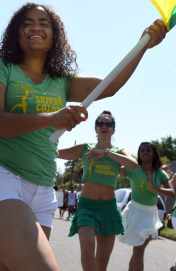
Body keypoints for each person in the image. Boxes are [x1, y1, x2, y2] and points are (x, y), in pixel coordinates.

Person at [0, 2, 166, 271]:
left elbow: (108, 85)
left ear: (55, 34)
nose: (36, 27)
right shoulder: (0, 69)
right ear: (15, 33)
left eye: (44, 23)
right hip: (1, 179)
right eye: (27, 23)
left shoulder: (61, 80)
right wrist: (52, 117)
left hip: (42, 190)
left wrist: (142, 45)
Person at [58, 111, 139, 271]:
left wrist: (108, 153)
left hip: (108, 209)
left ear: (113, 130)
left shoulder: (118, 151)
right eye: (100, 123)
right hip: (87, 208)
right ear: (95, 128)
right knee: (87, 246)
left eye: (109, 124)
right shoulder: (85, 148)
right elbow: (57, 152)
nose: (104, 126)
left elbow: (133, 165)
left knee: (102, 262)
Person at [119, 142, 176, 271]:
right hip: (135, 213)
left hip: (150, 215)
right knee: (138, 251)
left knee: (138, 251)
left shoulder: (159, 174)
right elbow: (113, 168)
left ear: (153, 154)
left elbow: (172, 193)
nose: (145, 153)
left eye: (148, 150)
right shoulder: (133, 168)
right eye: (142, 150)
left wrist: (155, 188)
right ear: (139, 154)